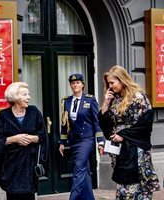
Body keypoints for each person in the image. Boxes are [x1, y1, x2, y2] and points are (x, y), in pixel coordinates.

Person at [98, 65, 160, 199]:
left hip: (135, 150)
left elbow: (145, 125)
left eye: (112, 83)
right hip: (120, 151)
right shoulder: (114, 99)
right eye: (108, 83)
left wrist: (123, 135)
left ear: (122, 80)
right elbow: (105, 123)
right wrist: (106, 103)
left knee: (135, 187)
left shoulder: (138, 97)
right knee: (123, 187)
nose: (110, 86)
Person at [0, 82, 49, 200]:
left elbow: (43, 135)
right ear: (15, 97)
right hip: (11, 166)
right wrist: (13, 139)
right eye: (25, 94)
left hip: (28, 164)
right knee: (13, 195)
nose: (29, 97)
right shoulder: (4, 116)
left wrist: (34, 138)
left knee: (28, 195)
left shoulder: (34, 112)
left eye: (28, 94)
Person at [59, 73, 104, 200]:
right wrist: (62, 142)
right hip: (74, 140)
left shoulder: (90, 100)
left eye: (78, 83)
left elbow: (97, 122)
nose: (75, 85)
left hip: (87, 140)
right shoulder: (66, 101)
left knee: (79, 168)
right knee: (84, 169)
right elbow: (64, 124)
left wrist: (100, 142)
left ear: (82, 84)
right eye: (73, 83)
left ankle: (73, 197)